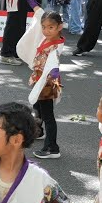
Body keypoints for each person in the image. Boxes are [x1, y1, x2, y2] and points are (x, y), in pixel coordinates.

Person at [18, 11, 65, 159]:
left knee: (48, 115)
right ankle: (39, 131)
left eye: (50, 27)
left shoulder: (56, 45)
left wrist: (53, 74)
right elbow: (39, 11)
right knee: (37, 108)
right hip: (40, 80)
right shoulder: (46, 38)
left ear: (59, 27)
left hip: (47, 83)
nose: (46, 30)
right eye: (44, 27)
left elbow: (54, 63)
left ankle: (52, 147)